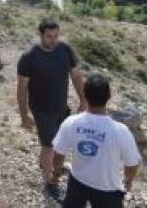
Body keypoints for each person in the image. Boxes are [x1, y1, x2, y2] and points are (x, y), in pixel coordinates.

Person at [16, 18, 86, 198]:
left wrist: (83, 100)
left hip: (61, 106)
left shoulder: (65, 49)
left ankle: (48, 164)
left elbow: (76, 75)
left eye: (56, 36)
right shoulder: (29, 57)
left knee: (59, 141)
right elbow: (22, 88)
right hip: (41, 109)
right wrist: (24, 116)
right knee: (49, 145)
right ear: (40, 35)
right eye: (49, 36)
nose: (53, 40)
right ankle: (49, 182)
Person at [52, 74, 141, 208]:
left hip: (78, 182)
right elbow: (132, 164)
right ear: (109, 96)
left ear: (85, 95)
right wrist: (128, 181)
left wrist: (56, 174)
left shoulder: (71, 122)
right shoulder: (121, 131)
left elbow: (58, 154)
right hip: (108, 190)